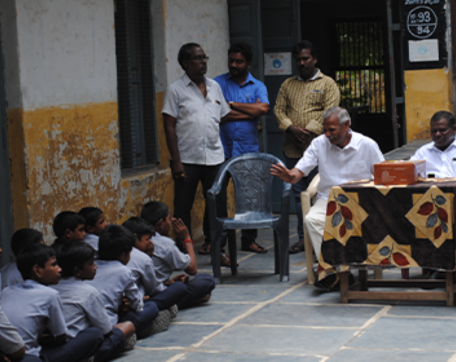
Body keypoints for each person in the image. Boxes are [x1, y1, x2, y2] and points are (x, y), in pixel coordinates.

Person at [271, 107, 384, 288]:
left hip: (361, 199)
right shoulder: (319, 143)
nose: (327, 134)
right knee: (312, 219)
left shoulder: (367, 145)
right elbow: (300, 171)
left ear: (347, 125)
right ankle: (331, 272)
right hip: (329, 198)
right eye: (325, 129)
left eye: (332, 130)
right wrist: (290, 176)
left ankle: (350, 269)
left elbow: (382, 175)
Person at [162, 42, 247, 267]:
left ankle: (218, 250)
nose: (203, 62)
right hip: (187, 159)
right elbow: (169, 125)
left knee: (217, 206)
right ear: (185, 63)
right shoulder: (175, 90)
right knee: (183, 206)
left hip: (215, 157)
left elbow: (223, 116)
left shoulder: (215, 87)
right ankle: (183, 253)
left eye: (204, 57)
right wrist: (176, 160)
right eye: (198, 58)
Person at [274, 40, 340, 254]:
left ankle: (328, 235)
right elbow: (278, 111)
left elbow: (331, 111)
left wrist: (308, 131)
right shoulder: (287, 85)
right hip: (293, 149)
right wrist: (291, 129)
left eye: (306, 59)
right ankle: (304, 239)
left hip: (321, 150)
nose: (302, 63)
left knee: (324, 193)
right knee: (298, 195)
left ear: (315, 59)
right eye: (298, 60)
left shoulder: (328, 83)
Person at [1, 244, 103, 361]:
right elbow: (61, 338)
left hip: (7, 353)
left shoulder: (7, 291)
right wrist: (43, 338)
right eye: (54, 265)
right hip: (30, 355)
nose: (59, 269)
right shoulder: (50, 294)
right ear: (37, 270)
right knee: (94, 334)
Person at [213, 42, 269, 254]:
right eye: (231, 61)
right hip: (222, 149)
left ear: (249, 63)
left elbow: (263, 108)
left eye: (239, 61)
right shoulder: (217, 83)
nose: (234, 65)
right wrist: (250, 112)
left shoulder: (258, 86)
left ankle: (249, 240)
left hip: (247, 149)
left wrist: (233, 105)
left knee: (249, 196)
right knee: (218, 196)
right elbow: (220, 114)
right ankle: (217, 243)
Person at [52, 241, 136, 362]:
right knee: (129, 327)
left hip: (55, 348)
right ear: (77, 271)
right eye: (91, 263)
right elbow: (106, 330)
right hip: (79, 344)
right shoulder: (89, 292)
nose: (95, 266)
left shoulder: (49, 289)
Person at [84, 225, 165, 338]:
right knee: (152, 307)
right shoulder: (123, 271)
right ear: (123, 255)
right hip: (111, 322)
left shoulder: (91, 267)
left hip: (89, 323)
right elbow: (138, 306)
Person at [141, 201, 216, 309]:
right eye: (168, 219)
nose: (170, 222)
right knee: (207, 280)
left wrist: (170, 282)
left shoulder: (138, 238)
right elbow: (192, 269)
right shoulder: (165, 243)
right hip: (157, 293)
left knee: (178, 285)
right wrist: (186, 238)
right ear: (161, 223)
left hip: (147, 290)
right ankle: (172, 303)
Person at [122, 217, 187, 315]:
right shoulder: (142, 258)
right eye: (147, 239)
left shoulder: (120, 253)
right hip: (134, 304)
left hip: (129, 300)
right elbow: (155, 289)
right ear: (134, 238)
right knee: (179, 288)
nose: (150, 243)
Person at [410, 110, 456, 177]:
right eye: (434, 131)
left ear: (454, 129)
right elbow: (409, 170)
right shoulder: (423, 152)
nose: (437, 134)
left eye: (442, 130)